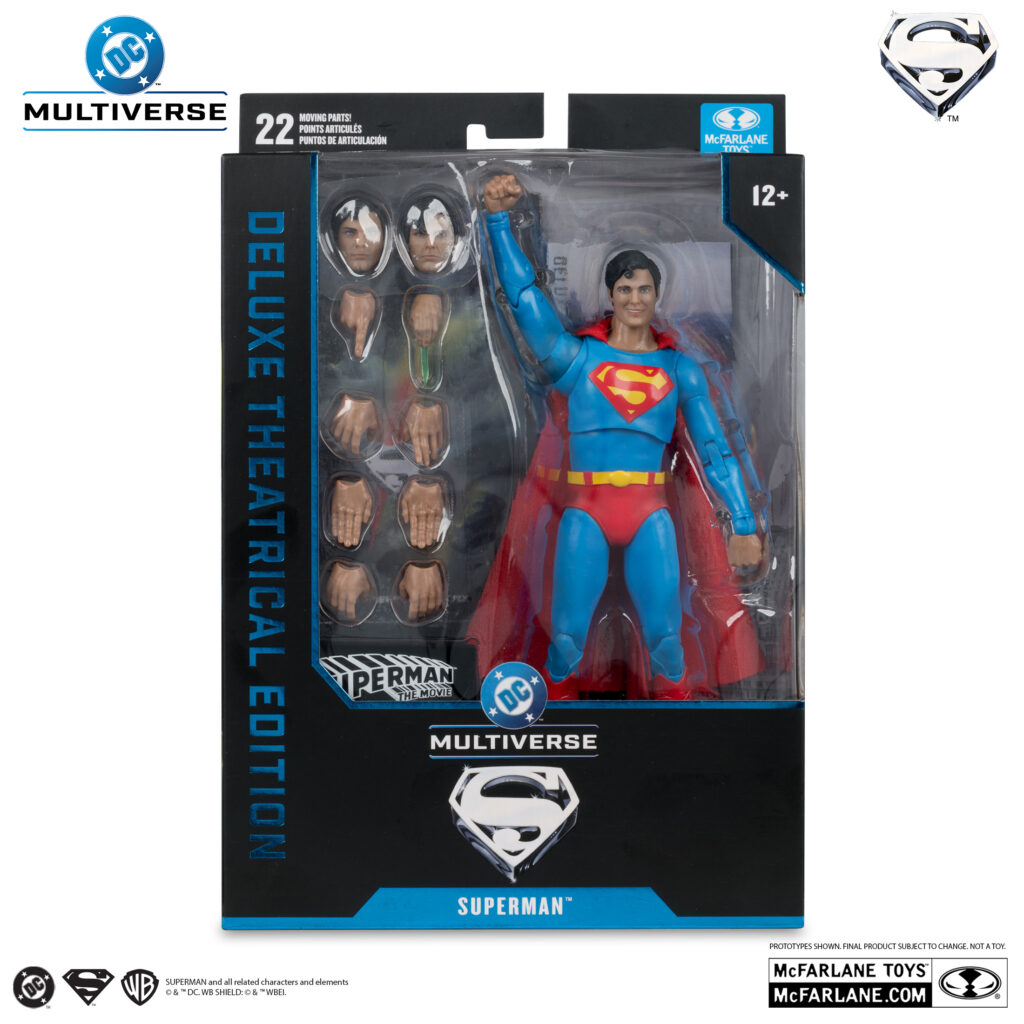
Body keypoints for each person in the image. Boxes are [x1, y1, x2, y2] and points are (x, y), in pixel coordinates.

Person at [474, 174, 762, 699]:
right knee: (564, 642)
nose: (634, 297)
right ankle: (552, 726)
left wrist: (742, 523)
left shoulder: (680, 369)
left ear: (657, 294)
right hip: (585, 512)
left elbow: (715, 451)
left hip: (650, 514)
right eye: (625, 288)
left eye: (643, 288)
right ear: (611, 294)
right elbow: (523, 299)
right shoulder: (579, 360)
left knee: (668, 643)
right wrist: (496, 221)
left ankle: (678, 734)